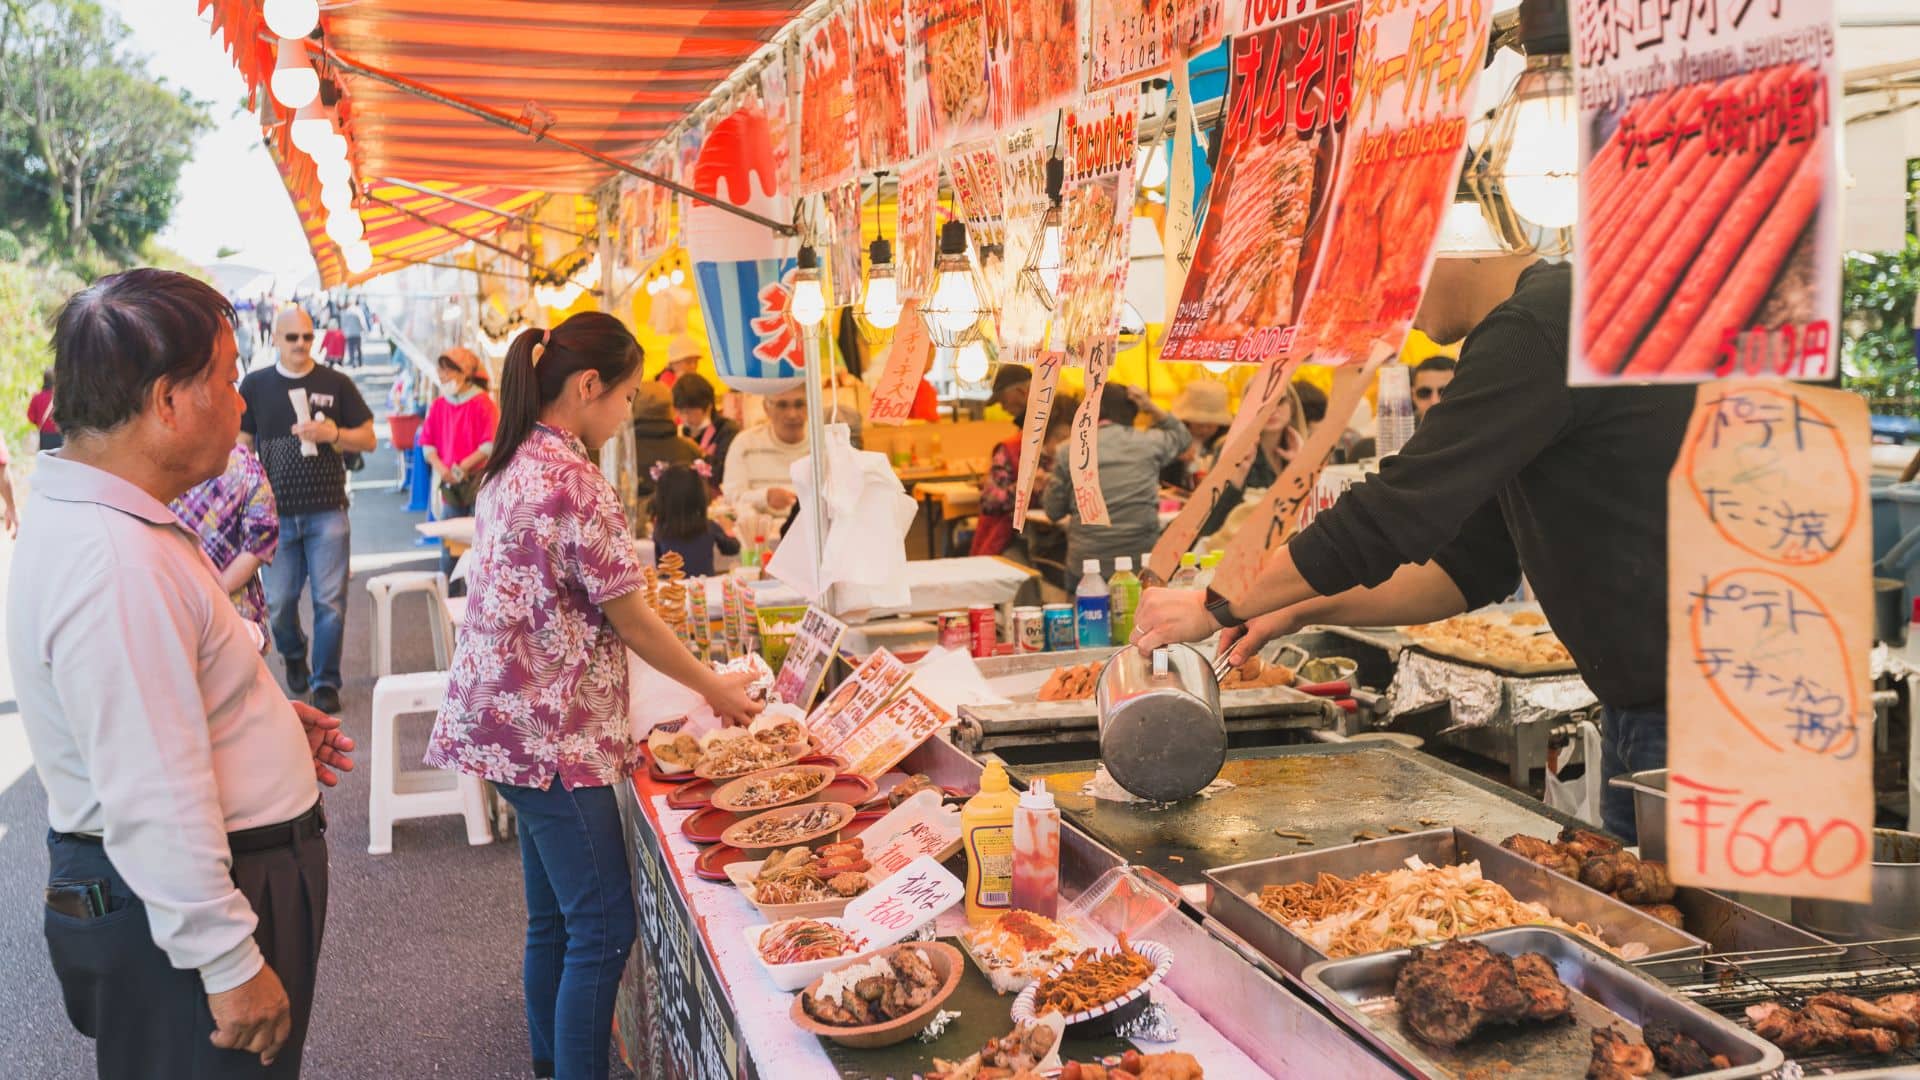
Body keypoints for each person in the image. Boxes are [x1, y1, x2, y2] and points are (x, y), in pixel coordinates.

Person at [1130, 254, 1695, 842]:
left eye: (1388, 273)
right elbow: (1463, 566)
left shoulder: (1538, 323)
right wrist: (1292, 608)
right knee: (1657, 920)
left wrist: (1216, 603)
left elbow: (1392, 511)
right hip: (1643, 711)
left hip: (1699, 713)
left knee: (1722, 930)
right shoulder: (1549, 320)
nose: (1388, 314)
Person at [12, 269, 352, 1079]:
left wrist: (254, 719)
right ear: (168, 402)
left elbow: (158, 706)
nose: (242, 404)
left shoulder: (115, 524)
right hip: (196, 904)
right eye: (230, 380)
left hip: (211, 879)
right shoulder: (112, 560)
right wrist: (229, 963)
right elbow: (150, 789)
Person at [425, 312, 761, 1080]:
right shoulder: (574, 479)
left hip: (505, 723)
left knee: (557, 924)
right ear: (588, 387)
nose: (627, 412)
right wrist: (718, 691)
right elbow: (634, 618)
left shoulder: (513, 461)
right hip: (548, 735)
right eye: (627, 395)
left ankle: (551, 1064)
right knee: (604, 928)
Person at [240, 306, 377, 714]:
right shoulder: (256, 385)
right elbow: (242, 442)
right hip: (275, 515)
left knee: (330, 601)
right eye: (292, 337)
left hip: (327, 509)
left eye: (306, 336)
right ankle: (293, 652)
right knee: (280, 602)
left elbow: (369, 438)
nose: (301, 344)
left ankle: (325, 682)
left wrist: (332, 433)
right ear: (276, 340)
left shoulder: (335, 382)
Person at [1042, 383, 1191, 576]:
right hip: (1140, 562)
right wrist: (1151, 407)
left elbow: (1053, 511)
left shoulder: (1068, 449)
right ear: (1132, 413)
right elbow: (1183, 437)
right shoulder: (1148, 443)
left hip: (1087, 565)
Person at [169, 442, 279, 648]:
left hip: (175, 610)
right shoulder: (243, 463)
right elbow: (263, 536)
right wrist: (218, 590)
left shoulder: (154, 464)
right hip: (236, 612)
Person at [419, 346, 499, 585]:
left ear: (464, 373)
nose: (443, 377)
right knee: (449, 549)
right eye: (441, 372)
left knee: (480, 545)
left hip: (478, 483)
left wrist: (461, 467)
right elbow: (427, 444)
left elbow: (490, 444)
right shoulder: (439, 404)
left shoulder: (483, 403)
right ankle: (449, 600)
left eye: (448, 372)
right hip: (449, 485)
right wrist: (442, 468)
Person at [972, 392, 1077, 557]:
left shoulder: (1077, 455)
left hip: (1061, 540)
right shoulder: (1012, 450)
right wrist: (1024, 490)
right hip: (1010, 539)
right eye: (1060, 437)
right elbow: (988, 501)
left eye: (1071, 439)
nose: (1064, 445)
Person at [722, 383, 809, 517]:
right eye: (782, 405)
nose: (792, 414)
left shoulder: (825, 445)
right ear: (766, 408)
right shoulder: (745, 444)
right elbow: (731, 497)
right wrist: (764, 497)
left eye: (799, 404)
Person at [649, 461, 739, 577]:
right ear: (699, 496)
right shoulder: (709, 526)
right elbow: (732, 548)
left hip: (674, 590)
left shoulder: (660, 530)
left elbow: (659, 566)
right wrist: (728, 529)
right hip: (704, 589)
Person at [630, 381, 701, 513]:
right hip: (683, 530)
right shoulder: (690, 451)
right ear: (671, 410)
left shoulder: (622, 454)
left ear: (633, 409)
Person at [671, 372, 739, 487]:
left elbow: (721, 474)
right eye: (681, 412)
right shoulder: (679, 432)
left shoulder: (727, 431)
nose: (685, 418)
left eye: (690, 412)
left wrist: (697, 452)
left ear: (708, 407)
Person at [1166, 380, 1232, 489]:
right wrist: (1175, 458)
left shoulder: (1225, 441)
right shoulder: (1171, 438)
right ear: (1188, 421)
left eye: (1211, 426)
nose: (1204, 430)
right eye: (1199, 425)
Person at [1411, 355, 1456, 424]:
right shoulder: (1399, 431)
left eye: (1445, 392)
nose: (1434, 402)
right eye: (1424, 393)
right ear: (1413, 396)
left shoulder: (1476, 429)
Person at [28, 370, 61, 451]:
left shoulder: (37, 397)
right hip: (60, 435)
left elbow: (30, 416)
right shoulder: (60, 397)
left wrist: (39, 422)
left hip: (44, 435)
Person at [339, 301, 367, 369]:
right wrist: (363, 330)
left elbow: (343, 324)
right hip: (357, 333)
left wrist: (343, 332)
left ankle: (353, 362)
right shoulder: (357, 314)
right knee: (358, 349)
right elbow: (361, 323)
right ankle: (360, 363)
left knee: (351, 349)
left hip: (349, 334)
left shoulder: (345, 314)